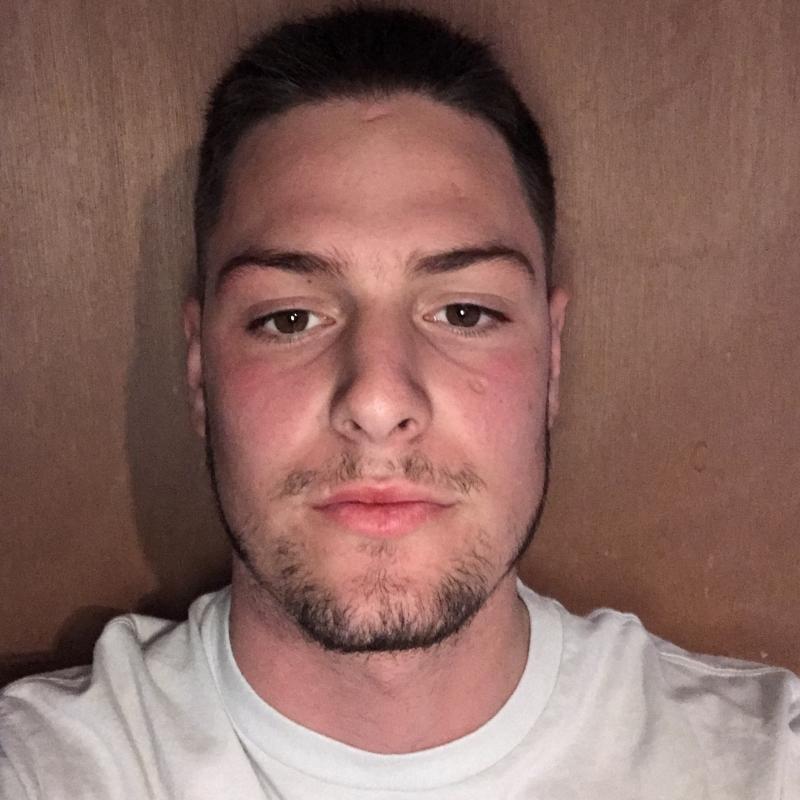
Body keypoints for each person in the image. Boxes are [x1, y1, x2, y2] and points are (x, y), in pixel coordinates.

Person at [1, 5, 797, 798]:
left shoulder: (761, 766)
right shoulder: (44, 770)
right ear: (200, 366)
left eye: (465, 313)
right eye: (290, 318)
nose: (378, 402)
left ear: (552, 357)